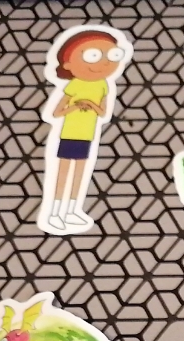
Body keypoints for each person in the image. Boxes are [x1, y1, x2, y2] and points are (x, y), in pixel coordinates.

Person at [42, 28, 130, 233]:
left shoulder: (103, 85)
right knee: (63, 172)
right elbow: (56, 112)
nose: (105, 63)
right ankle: (54, 212)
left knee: (80, 173)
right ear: (68, 64)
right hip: (69, 133)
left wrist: (90, 105)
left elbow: (103, 112)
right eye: (93, 55)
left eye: (113, 55)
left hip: (87, 134)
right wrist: (74, 106)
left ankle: (71, 210)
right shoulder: (74, 84)